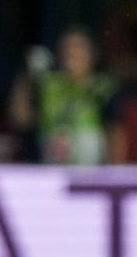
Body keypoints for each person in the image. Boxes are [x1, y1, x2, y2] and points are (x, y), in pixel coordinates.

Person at [33, 27, 125, 165]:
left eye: (78, 47)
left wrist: (115, 173)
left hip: (92, 170)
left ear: (93, 54)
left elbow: (116, 134)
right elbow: (20, 118)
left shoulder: (103, 87)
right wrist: (27, 76)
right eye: (67, 47)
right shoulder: (47, 85)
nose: (71, 52)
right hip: (51, 170)